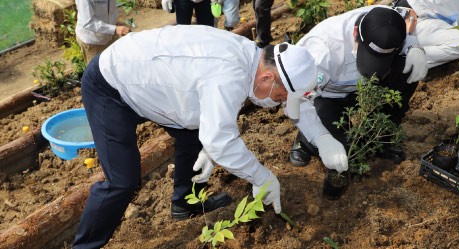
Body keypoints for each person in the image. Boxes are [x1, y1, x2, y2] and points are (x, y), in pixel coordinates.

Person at [72, 24, 348, 248]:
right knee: (123, 180)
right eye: (279, 98)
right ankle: (85, 246)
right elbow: (221, 140)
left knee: (193, 137)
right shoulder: (228, 76)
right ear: (266, 79)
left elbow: (289, 100)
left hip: (157, 82)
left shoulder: (256, 60)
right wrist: (261, 176)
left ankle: (183, 204)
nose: (278, 105)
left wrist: (322, 137)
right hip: (113, 83)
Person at [289, 5, 428, 167]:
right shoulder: (322, 51)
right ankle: (304, 141)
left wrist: (415, 46)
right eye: (370, 56)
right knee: (345, 152)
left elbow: (407, 26)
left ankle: (379, 139)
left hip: (367, 88)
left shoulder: (388, 20)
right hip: (327, 96)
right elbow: (298, 101)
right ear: (356, 33)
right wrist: (320, 137)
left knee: (406, 69)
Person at [75, 0, 130, 64]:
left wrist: (116, 24)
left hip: (110, 34)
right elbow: (88, 22)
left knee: (116, 63)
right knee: (98, 69)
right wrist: (114, 29)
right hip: (93, 41)